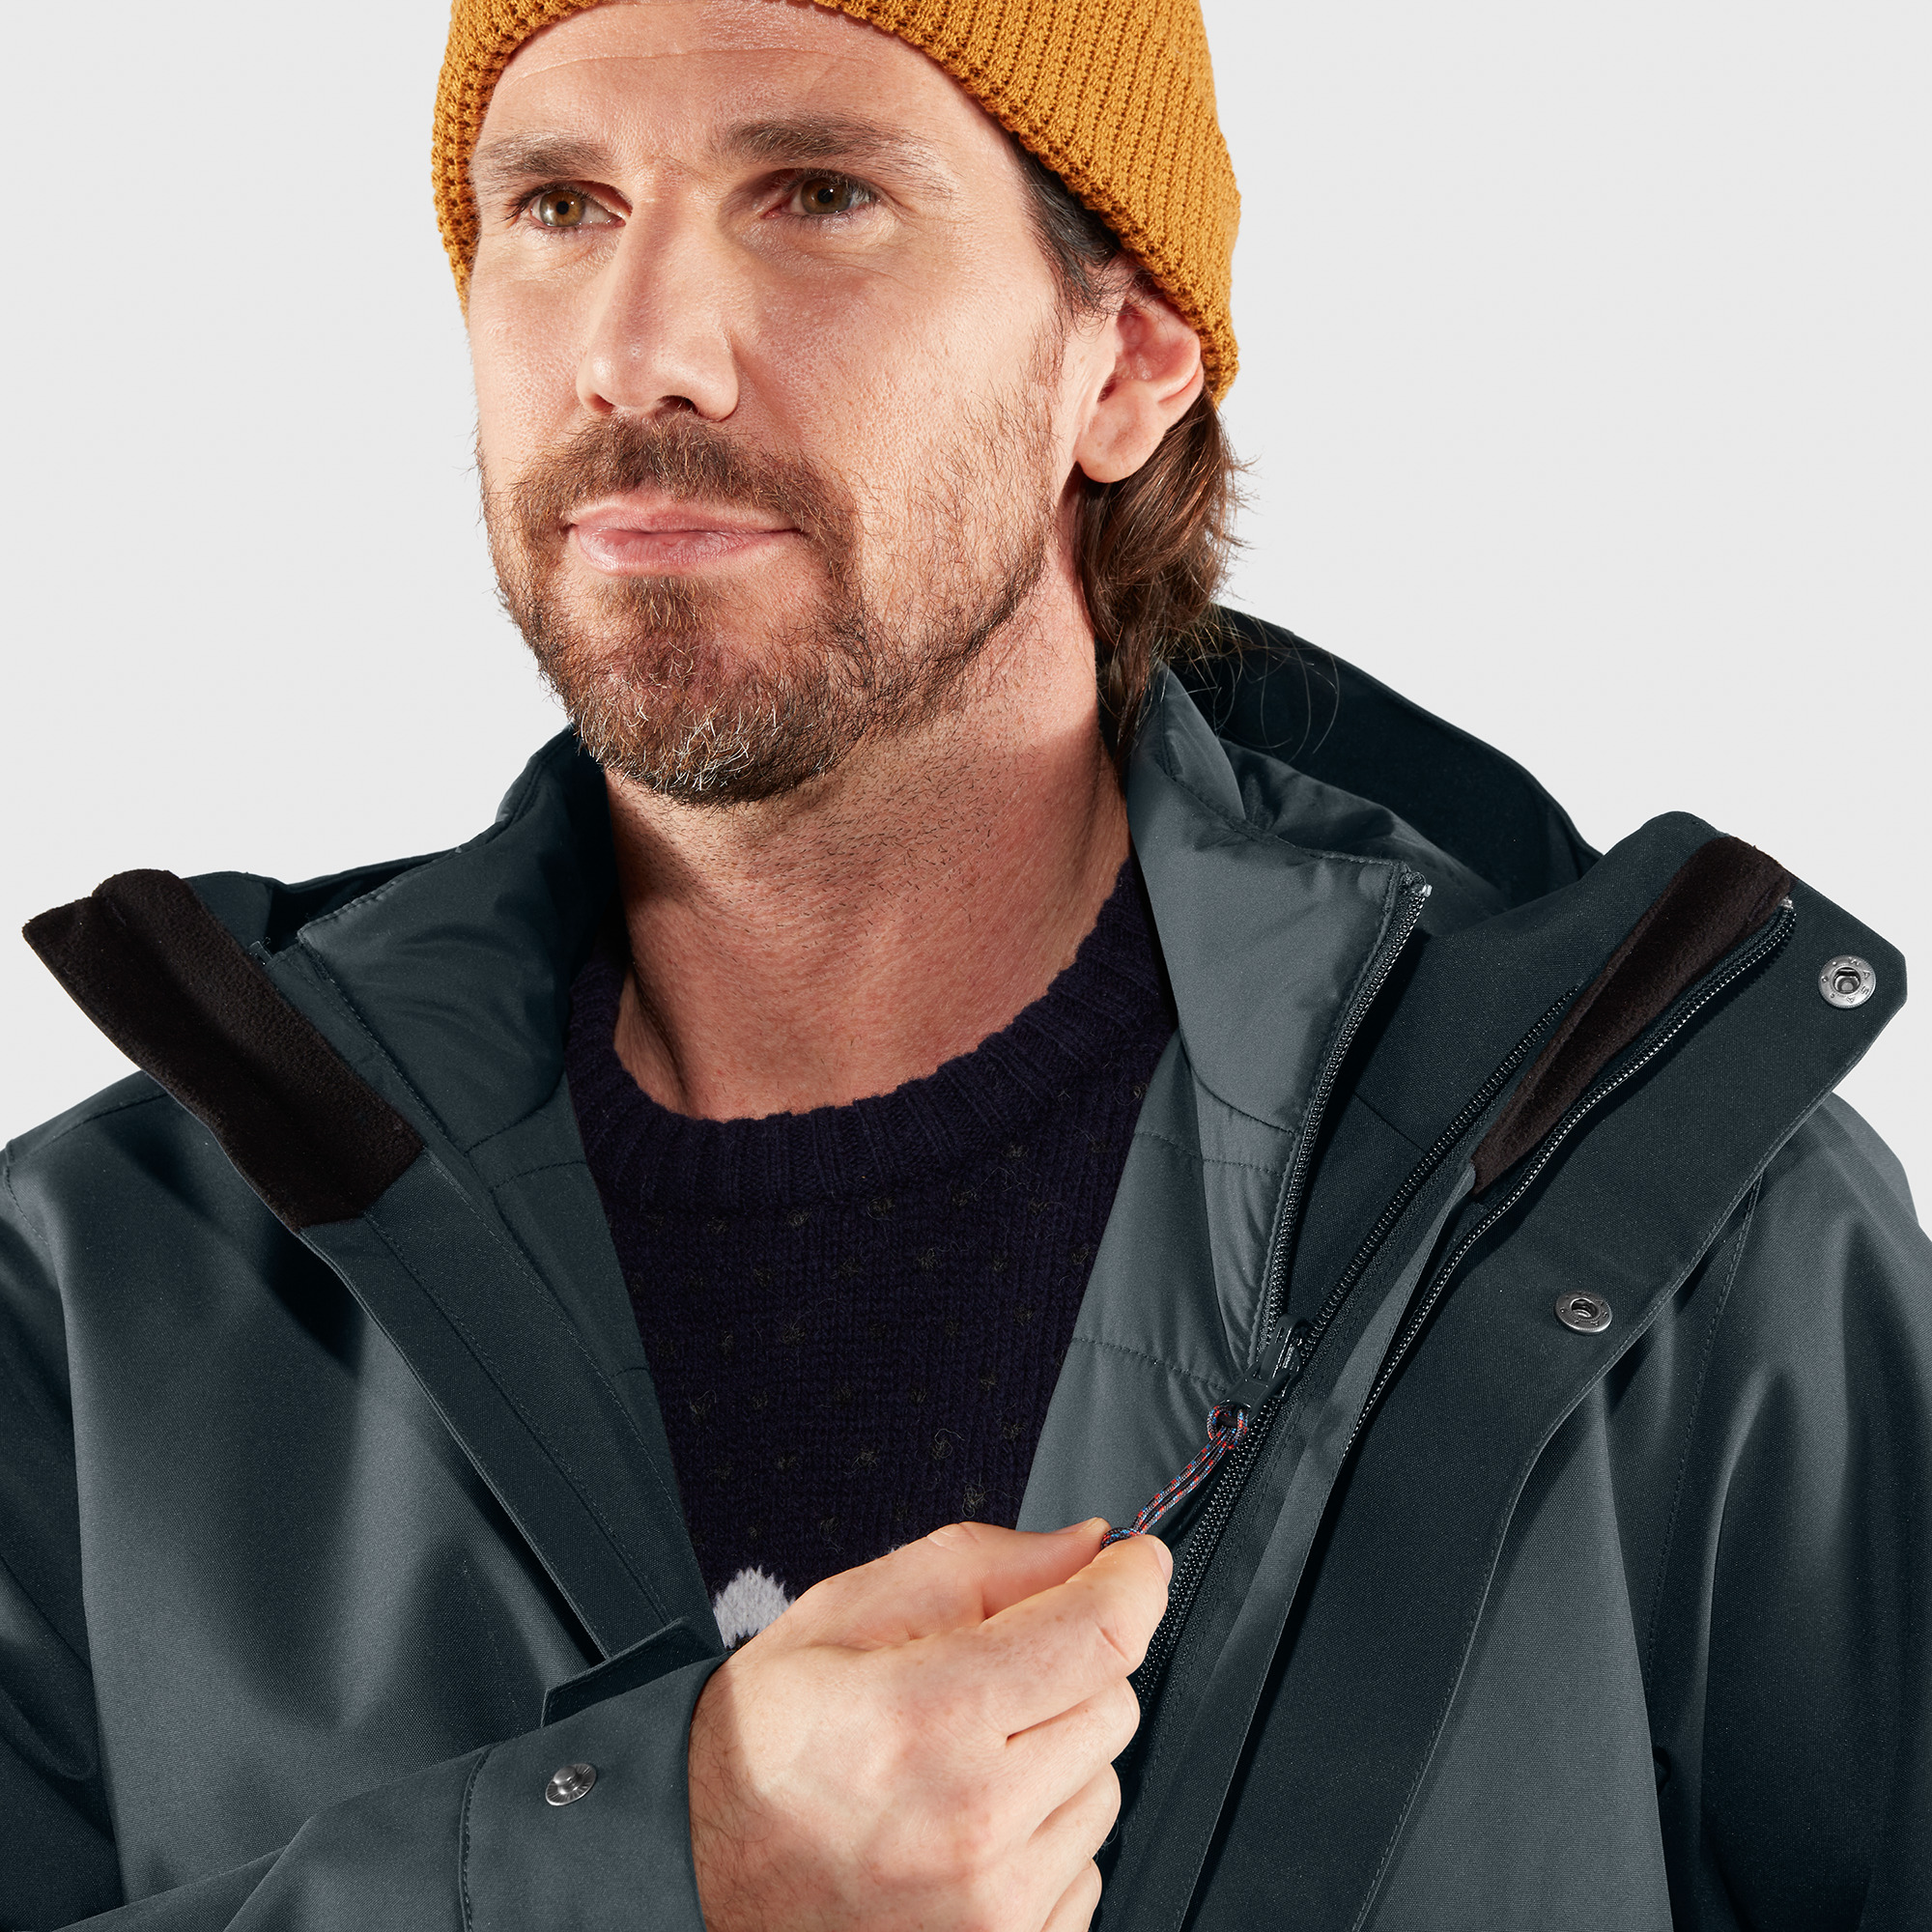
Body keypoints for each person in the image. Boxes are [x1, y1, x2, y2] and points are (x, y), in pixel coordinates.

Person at [3, 0, 1926, 1926]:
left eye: (816, 194)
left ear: (1127, 364)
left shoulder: (1651, 1232)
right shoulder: (105, 1284)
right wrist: (660, 1866)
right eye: (560, 206)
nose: (636, 351)